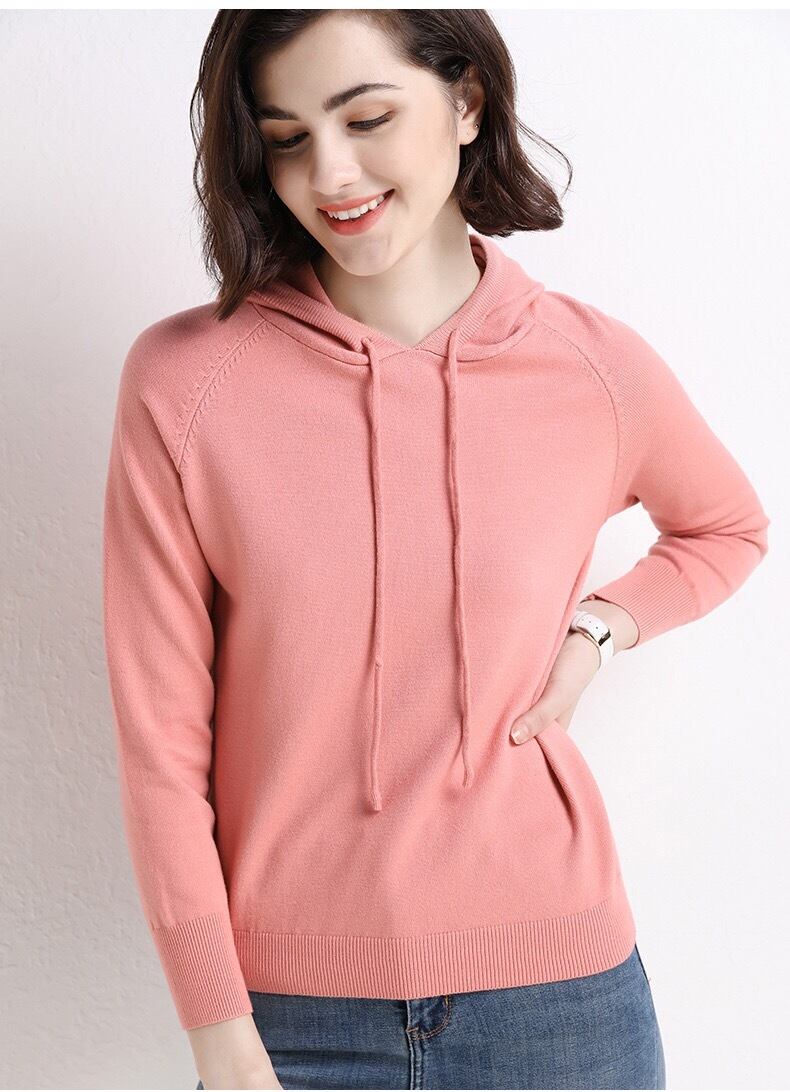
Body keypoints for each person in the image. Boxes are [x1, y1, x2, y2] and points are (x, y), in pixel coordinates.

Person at [101, 10, 770, 1090]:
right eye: (285, 137)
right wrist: (218, 1028)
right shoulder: (186, 384)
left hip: (563, 1008)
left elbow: (727, 526)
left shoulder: (590, 367)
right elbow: (159, 746)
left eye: (366, 118)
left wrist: (600, 629)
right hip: (290, 1023)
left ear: (466, 102)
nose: (330, 173)